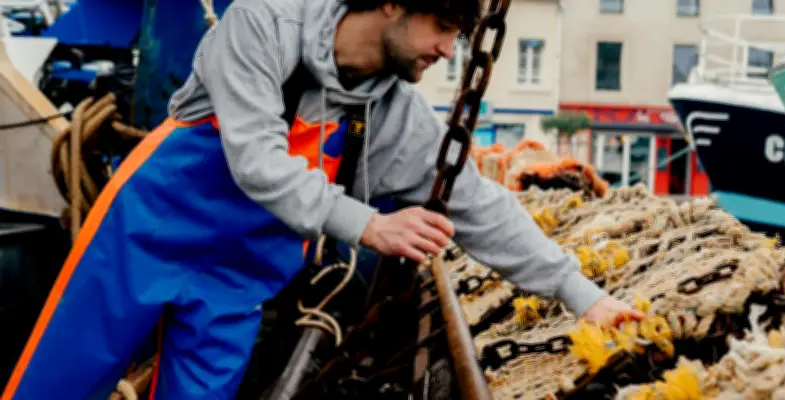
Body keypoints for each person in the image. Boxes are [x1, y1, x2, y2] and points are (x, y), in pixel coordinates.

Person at [2, 0, 642, 398]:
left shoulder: (393, 116)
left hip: (235, 283)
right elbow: (257, 160)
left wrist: (582, 295)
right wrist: (370, 225)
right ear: (391, 3)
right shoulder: (262, 25)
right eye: (444, 27)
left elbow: (482, 207)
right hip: (144, 238)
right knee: (55, 384)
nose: (450, 50)